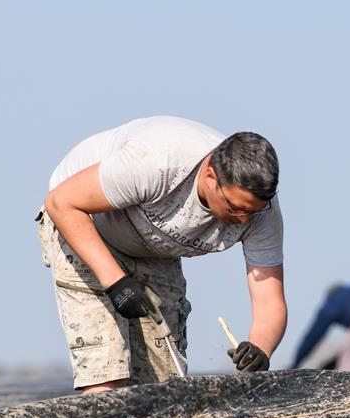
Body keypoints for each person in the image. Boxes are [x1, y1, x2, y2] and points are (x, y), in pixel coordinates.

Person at [38, 116, 287, 393]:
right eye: (235, 208)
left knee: (164, 389)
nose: (243, 220)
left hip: (154, 246)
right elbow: (61, 203)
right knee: (108, 376)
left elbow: (270, 300)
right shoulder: (158, 163)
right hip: (84, 224)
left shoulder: (262, 215)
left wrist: (260, 349)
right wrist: (115, 282)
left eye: (251, 212)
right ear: (211, 177)